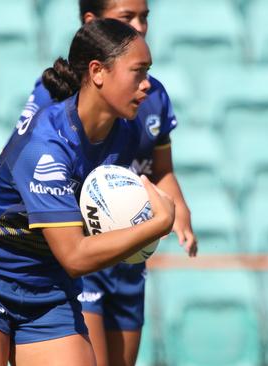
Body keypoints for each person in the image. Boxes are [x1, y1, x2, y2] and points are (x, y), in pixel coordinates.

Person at [0, 19, 175, 366]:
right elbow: (75, 257)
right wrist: (157, 224)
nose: (146, 85)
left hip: (47, 291)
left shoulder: (126, 133)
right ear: (98, 72)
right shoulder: (45, 146)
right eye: (138, 72)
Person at [18, 1, 197, 365]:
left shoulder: (153, 94)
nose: (141, 26)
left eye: (145, 16)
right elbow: (31, 164)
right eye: (127, 17)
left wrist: (181, 213)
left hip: (129, 255)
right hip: (84, 247)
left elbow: (160, 168)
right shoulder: (57, 92)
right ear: (92, 22)